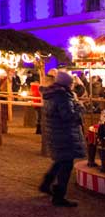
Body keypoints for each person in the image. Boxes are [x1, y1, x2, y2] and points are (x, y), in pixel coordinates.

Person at [39, 71, 86, 207]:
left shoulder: (52, 94)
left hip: (56, 133)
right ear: (67, 83)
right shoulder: (62, 96)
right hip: (64, 134)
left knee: (61, 160)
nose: (72, 85)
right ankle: (59, 196)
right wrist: (80, 108)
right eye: (71, 83)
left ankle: (46, 183)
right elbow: (68, 116)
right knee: (66, 164)